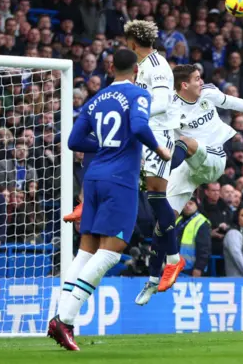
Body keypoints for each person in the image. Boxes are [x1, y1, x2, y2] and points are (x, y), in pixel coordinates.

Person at [47, 49, 171, 351]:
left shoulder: (96, 99)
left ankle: (58, 316)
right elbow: (141, 127)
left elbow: (74, 141)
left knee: (86, 251)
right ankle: (65, 319)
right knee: (111, 253)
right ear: (137, 72)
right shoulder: (138, 95)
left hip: (93, 177)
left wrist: (103, 145)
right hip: (119, 180)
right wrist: (159, 149)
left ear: (111, 67)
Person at [135, 64, 243, 304]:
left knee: (185, 142)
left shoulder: (207, 94)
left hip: (214, 157)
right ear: (184, 85)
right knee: (163, 221)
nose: (200, 81)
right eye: (196, 78)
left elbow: (234, 103)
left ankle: (155, 175)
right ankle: (154, 279)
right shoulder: (169, 108)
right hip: (187, 166)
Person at [124, 20, 182, 292]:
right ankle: (172, 258)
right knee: (150, 195)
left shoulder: (158, 66)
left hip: (158, 134)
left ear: (133, 42)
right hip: (145, 132)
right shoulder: (144, 66)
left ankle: (173, 259)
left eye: (127, 42)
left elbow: (160, 103)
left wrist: (135, 114)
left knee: (157, 198)